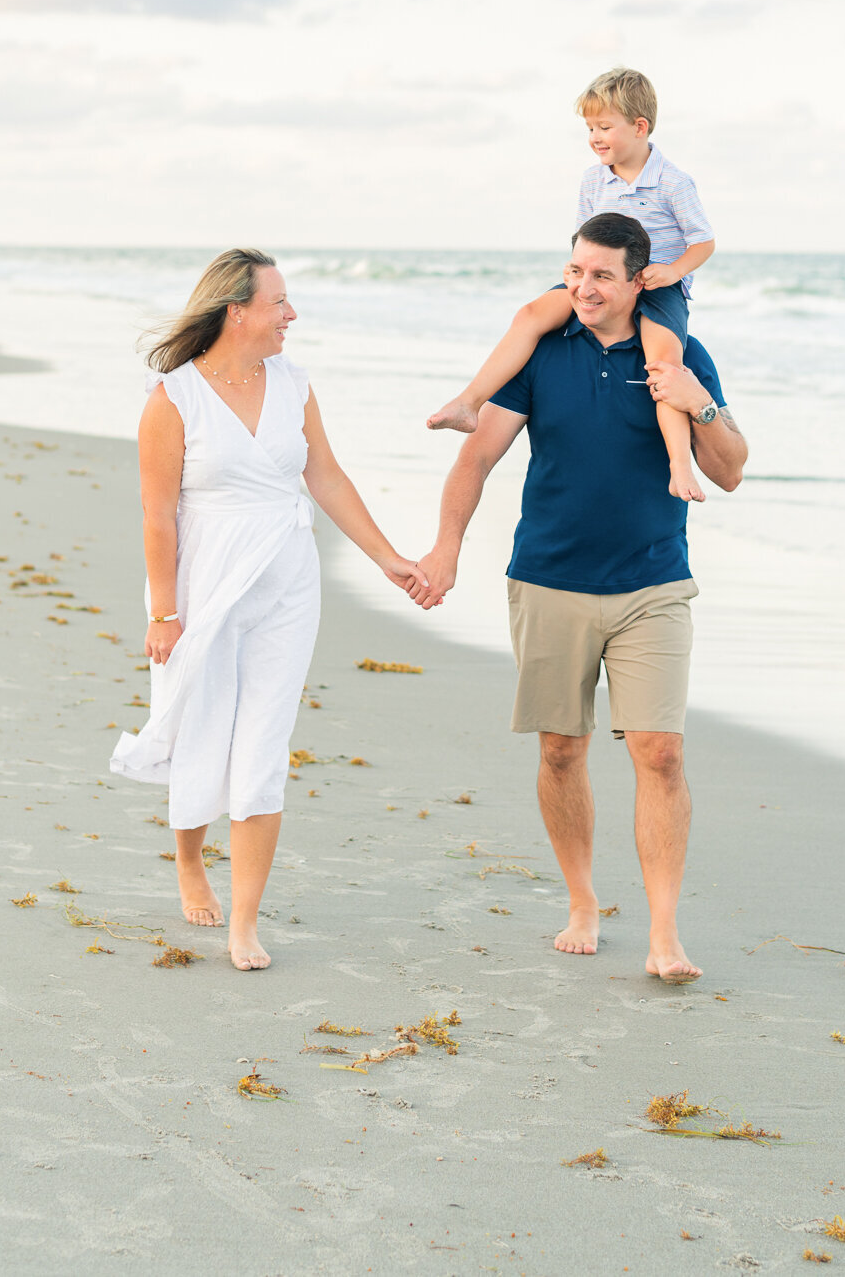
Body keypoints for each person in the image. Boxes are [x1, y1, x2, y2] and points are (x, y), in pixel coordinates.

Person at [417, 212, 747, 981]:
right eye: (574, 272)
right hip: (548, 579)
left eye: (601, 275)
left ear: (642, 281)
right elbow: (478, 458)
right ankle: (582, 902)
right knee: (561, 750)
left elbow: (729, 470)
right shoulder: (542, 351)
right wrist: (446, 547)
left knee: (659, 753)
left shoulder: (681, 353)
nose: (583, 287)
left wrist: (700, 402)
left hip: (653, 584)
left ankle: (666, 933)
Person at [110, 248, 428, 971]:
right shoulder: (173, 400)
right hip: (204, 584)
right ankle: (191, 862)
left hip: (287, 577)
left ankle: (244, 921)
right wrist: (164, 613)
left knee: (262, 745)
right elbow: (158, 514)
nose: (292, 314)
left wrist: (387, 558)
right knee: (201, 728)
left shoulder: (293, 384)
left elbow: (327, 476)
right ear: (238, 311)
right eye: (279, 302)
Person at [427, 67, 715, 503]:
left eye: (604, 127)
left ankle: (678, 465)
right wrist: (580, 276)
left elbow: (703, 242)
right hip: (601, 279)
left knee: (664, 369)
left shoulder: (673, 182)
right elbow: (585, 237)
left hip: (657, 286)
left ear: (640, 128)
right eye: (589, 128)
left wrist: (672, 272)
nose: (595, 137)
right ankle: (470, 402)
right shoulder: (593, 179)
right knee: (530, 315)